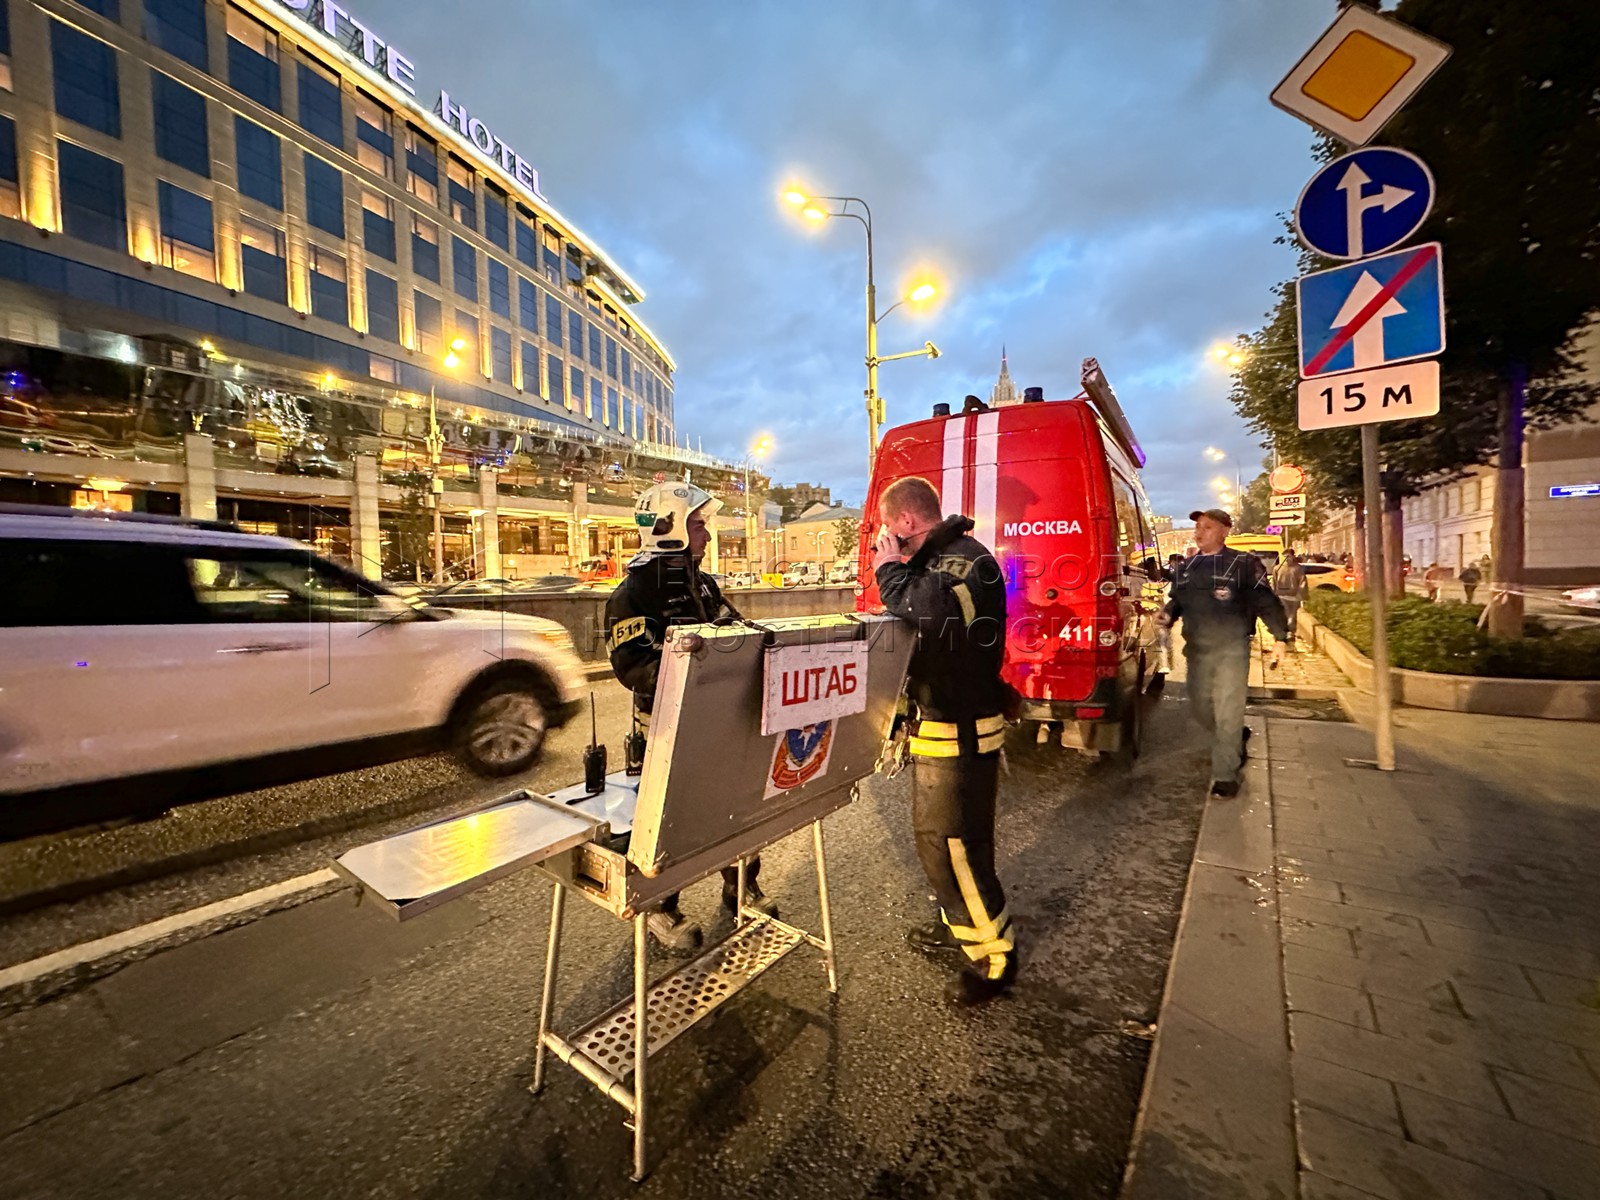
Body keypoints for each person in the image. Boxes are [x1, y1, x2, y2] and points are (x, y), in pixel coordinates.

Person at [605, 479, 777, 953]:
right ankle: (660, 906)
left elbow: (737, 630)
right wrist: (693, 664)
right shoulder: (633, 593)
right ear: (669, 528)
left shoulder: (702, 583)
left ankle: (741, 887)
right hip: (665, 729)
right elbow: (633, 667)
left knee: (734, 805)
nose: (708, 535)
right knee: (667, 819)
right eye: (699, 524)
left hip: (719, 719)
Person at [873, 476, 1015, 1006]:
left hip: (960, 725)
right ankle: (960, 926)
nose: (888, 538)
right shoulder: (942, 559)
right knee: (941, 846)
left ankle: (994, 959)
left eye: (892, 529)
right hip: (945, 720)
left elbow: (927, 612)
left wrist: (889, 569)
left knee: (954, 848)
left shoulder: (958, 562)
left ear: (908, 520)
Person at [1160, 509, 1289, 799]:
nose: (1199, 532)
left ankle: (1225, 774)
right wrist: (1167, 615)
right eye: (1197, 527)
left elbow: (1265, 601)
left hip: (1232, 648)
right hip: (1197, 649)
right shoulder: (1187, 567)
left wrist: (1280, 637)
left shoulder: (1244, 564)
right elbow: (1177, 601)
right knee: (1201, 707)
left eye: (1207, 527)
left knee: (1228, 709)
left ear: (1223, 531)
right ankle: (1232, 738)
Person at [1272, 549, 1308, 644]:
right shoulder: (1277, 568)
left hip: (1294, 596)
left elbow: (1302, 582)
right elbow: (1274, 583)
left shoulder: (1298, 569)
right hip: (1281, 595)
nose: (1287, 558)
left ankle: (1290, 632)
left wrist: (1302, 595)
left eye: (1288, 556)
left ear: (1293, 556)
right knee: (1282, 614)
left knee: (1292, 615)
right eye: (1285, 556)